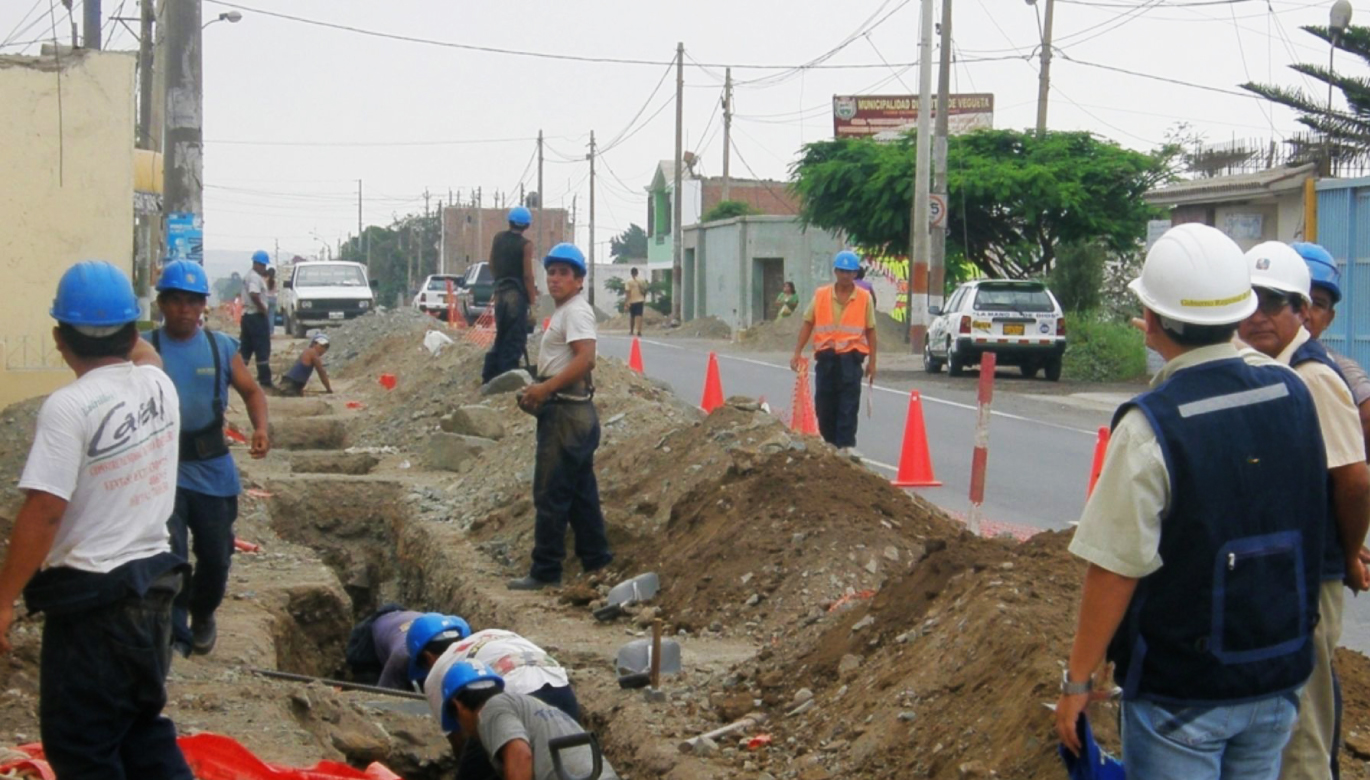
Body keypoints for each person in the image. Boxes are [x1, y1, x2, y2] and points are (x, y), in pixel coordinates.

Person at [1054, 224, 1332, 780]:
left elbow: (1114, 567)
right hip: (1275, 674)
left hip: (1183, 689)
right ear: (1241, 309)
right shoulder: (1291, 392)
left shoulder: (1151, 426)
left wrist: (1078, 682)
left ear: (1151, 321)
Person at [0, 261, 194, 780]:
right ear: (134, 330)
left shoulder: (69, 407)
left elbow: (45, 511)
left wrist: (2, 601)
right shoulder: (159, 386)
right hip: (155, 592)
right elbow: (147, 353)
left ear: (59, 338)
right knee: (139, 729)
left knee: (82, 748)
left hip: (95, 606)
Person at [1234, 241, 1370, 780]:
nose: (1261, 315)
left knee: (1303, 732)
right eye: (1251, 301)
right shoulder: (1263, 372)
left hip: (1309, 577)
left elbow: (1354, 481)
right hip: (1276, 573)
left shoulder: (1313, 378)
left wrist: (1348, 549)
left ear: (1304, 314)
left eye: (1277, 302)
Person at [149, 259, 271, 658]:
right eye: (175, 300)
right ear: (162, 304)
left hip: (212, 468)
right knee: (171, 554)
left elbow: (252, 391)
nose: (184, 309)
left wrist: (260, 428)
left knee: (217, 555)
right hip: (163, 470)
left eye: (192, 301)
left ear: (203, 305)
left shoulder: (220, 348)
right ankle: (174, 623)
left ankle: (203, 612)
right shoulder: (147, 350)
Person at [509, 243, 614, 590]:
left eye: (564, 273)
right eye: (551, 272)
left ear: (580, 280)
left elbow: (586, 359)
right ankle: (597, 561)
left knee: (551, 492)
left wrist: (544, 389)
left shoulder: (576, 313)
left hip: (568, 415)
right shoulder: (566, 311)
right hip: (571, 411)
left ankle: (546, 571)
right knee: (580, 493)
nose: (555, 279)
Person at [413, 620, 582, 778]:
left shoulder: (437, 674)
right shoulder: (492, 634)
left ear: (428, 658)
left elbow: (458, 738)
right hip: (560, 687)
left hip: (512, 692)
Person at [440, 660, 620, 780]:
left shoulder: (491, 709)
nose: (464, 730)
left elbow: (521, 755)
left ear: (458, 706)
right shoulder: (532, 706)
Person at [790, 250, 877, 455]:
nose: (845, 275)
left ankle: (845, 446)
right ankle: (828, 444)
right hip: (827, 357)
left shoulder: (864, 298)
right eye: (841, 271)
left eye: (850, 271)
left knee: (848, 404)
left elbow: (871, 330)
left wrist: (873, 362)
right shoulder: (821, 295)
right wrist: (797, 353)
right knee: (825, 403)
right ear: (835, 272)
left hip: (851, 358)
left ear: (856, 274)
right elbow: (808, 323)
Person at [1296, 241, 1370, 452]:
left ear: (1329, 318)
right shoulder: (1242, 358)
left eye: (1317, 304)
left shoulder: (1335, 367)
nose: (1305, 314)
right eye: (1296, 300)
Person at [482, 206, 539, 385]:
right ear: (527, 225)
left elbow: (491, 264)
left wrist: (500, 281)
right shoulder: (525, 245)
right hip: (516, 294)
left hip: (500, 292)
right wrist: (531, 300)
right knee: (515, 337)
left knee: (502, 334)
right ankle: (508, 376)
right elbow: (528, 275)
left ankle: (489, 375)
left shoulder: (498, 238)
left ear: (510, 221)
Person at [239, 250, 274, 388]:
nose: (264, 268)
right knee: (262, 348)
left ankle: (236, 376)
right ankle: (265, 380)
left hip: (248, 316)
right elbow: (254, 294)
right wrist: (262, 308)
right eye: (263, 265)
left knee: (246, 348)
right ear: (256, 264)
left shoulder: (251, 276)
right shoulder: (254, 278)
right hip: (255, 316)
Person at [624, 267, 649, 336]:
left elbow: (628, 292)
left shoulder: (629, 281)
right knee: (639, 315)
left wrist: (626, 302)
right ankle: (639, 330)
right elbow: (645, 290)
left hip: (632, 301)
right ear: (637, 273)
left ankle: (631, 330)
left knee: (632, 316)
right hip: (640, 300)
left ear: (631, 273)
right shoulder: (641, 281)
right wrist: (644, 298)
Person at [264, 266, 278, 337]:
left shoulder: (265, 281)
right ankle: (271, 332)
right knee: (272, 316)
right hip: (273, 299)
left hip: (266, 299)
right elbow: (276, 291)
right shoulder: (275, 281)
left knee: (265, 316)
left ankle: (266, 331)